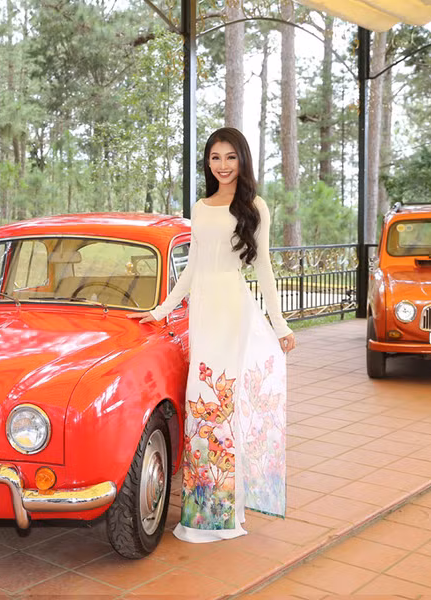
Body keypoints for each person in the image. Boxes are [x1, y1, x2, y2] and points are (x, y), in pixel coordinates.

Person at [128, 127, 295, 543]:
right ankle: (202, 511)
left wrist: (280, 325)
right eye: (215, 157)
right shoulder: (200, 207)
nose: (222, 165)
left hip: (232, 309)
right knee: (200, 401)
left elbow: (264, 268)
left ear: (243, 160)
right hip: (202, 312)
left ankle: (224, 513)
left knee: (224, 405)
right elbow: (192, 267)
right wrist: (162, 310)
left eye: (230, 157)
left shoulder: (254, 206)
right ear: (208, 162)